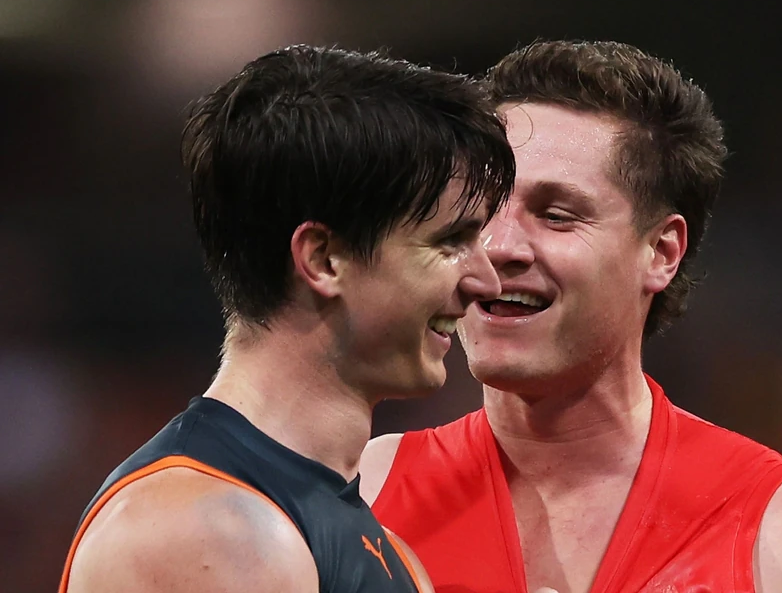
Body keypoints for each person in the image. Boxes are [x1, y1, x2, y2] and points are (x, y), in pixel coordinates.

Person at [359, 40, 782, 593]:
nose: (500, 247)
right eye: (480, 214)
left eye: (555, 216)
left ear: (661, 252)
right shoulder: (360, 498)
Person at [58, 44, 515, 593]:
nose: (487, 281)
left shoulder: (375, 544)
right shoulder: (205, 529)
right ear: (323, 260)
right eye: (451, 241)